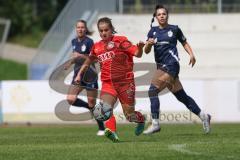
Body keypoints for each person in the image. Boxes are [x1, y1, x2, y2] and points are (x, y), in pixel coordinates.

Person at [75, 17, 146, 142]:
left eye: (106, 30)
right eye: (101, 31)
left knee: (129, 116)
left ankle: (141, 119)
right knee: (105, 108)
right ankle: (112, 132)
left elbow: (137, 54)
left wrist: (140, 47)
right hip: (108, 83)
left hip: (125, 83)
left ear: (111, 29)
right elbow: (88, 61)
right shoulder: (96, 47)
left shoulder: (121, 41)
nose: (103, 33)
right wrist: (79, 74)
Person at [143, 5, 211, 134]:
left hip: (172, 65)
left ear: (167, 15)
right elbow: (146, 51)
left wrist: (191, 54)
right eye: (159, 14)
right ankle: (204, 116)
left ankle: (155, 124)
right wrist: (148, 44)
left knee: (152, 91)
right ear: (156, 17)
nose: (162, 16)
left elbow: (184, 42)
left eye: (164, 14)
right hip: (161, 67)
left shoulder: (174, 29)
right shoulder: (152, 31)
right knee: (182, 97)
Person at [64, 20, 105, 136]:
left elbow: (94, 58)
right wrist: (70, 62)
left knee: (92, 102)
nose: (80, 29)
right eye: (78, 27)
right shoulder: (73, 41)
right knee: (70, 99)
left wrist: (80, 55)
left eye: (82, 27)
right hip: (78, 75)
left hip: (89, 75)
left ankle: (102, 128)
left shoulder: (89, 42)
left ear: (85, 29)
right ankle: (89, 108)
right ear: (76, 29)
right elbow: (76, 57)